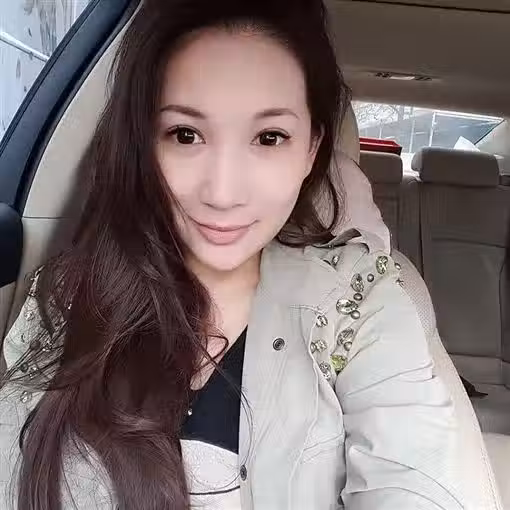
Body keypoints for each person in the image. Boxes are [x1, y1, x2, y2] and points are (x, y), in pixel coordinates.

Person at [0, 0, 464, 508]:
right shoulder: (67, 292)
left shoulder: (360, 303)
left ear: (311, 150)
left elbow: (415, 476)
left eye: (269, 137)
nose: (223, 193)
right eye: (185, 135)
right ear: (146, 143)